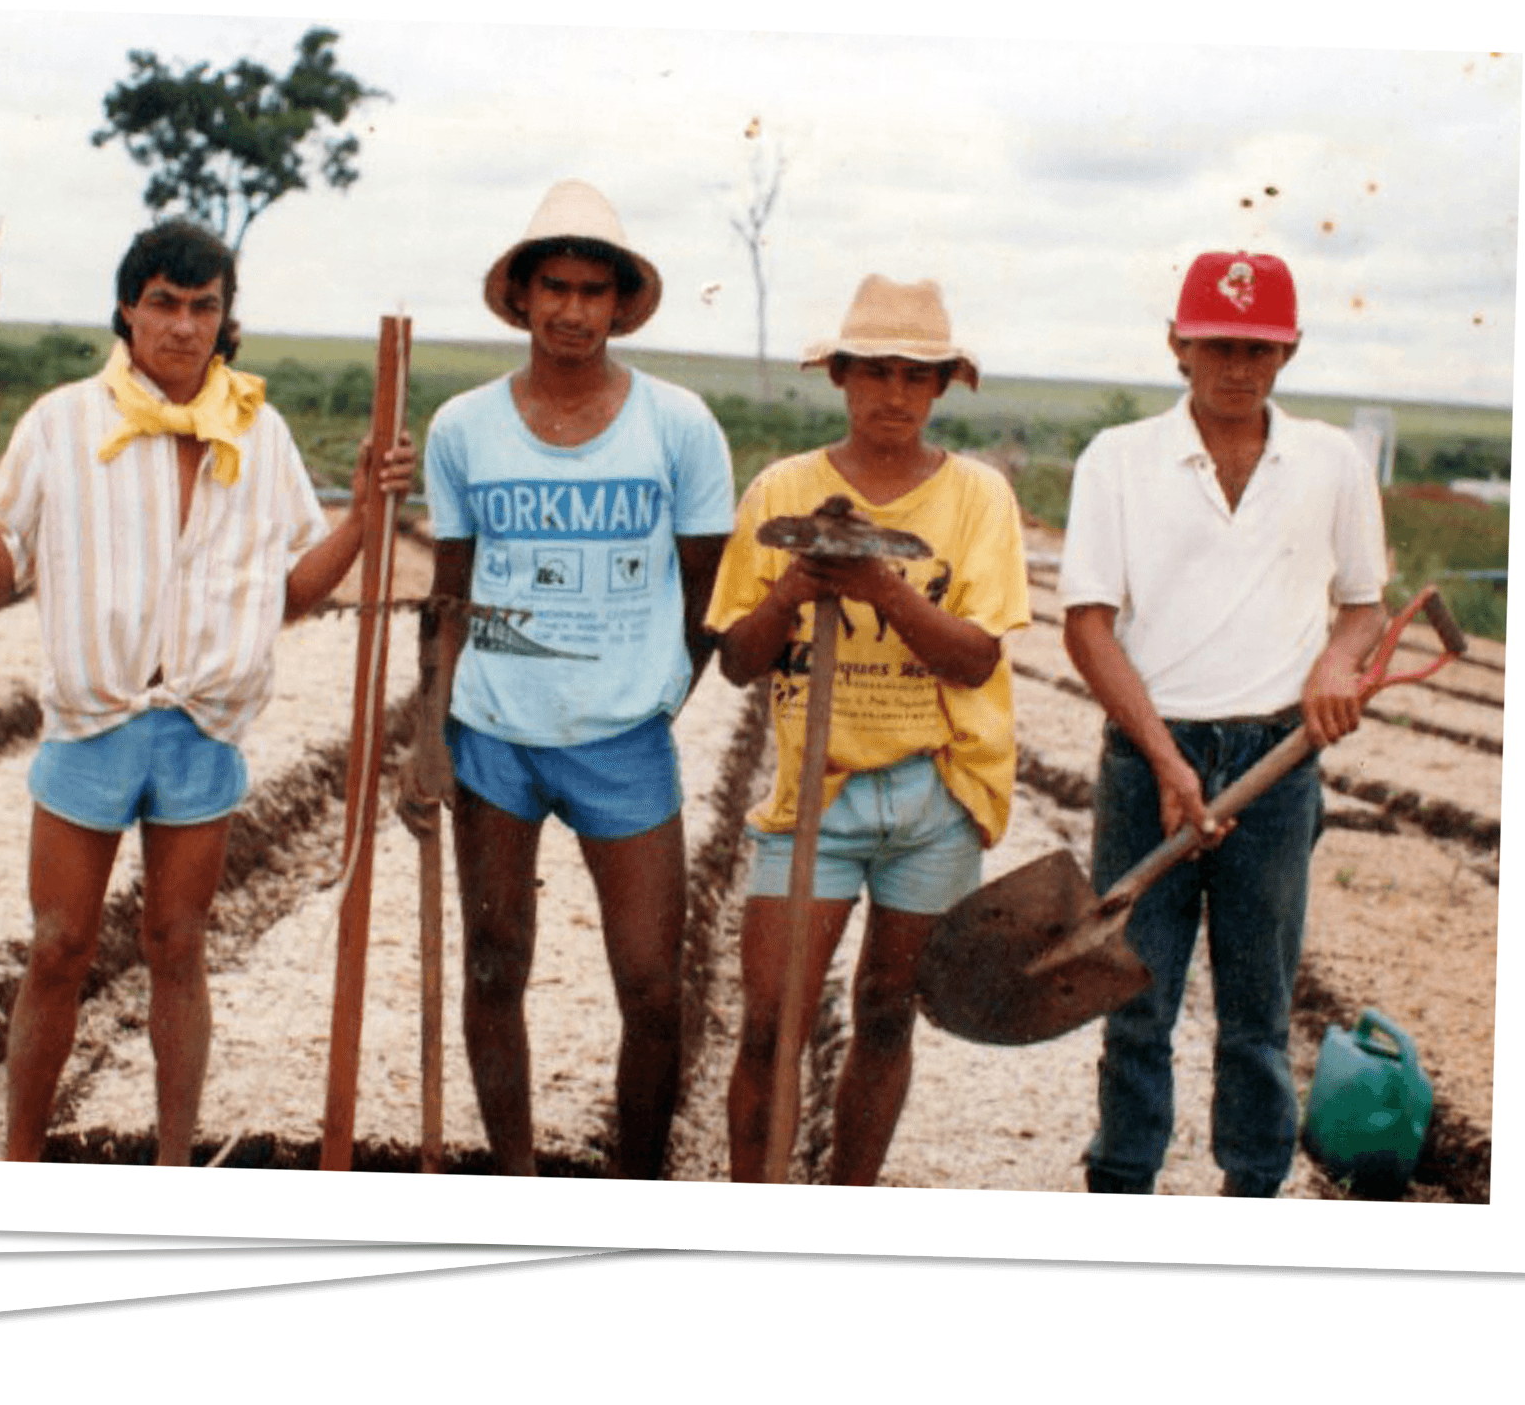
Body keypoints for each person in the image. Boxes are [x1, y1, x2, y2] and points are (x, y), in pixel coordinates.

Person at [0, 217, 414, 1165]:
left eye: (204, 307)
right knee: (60, 946)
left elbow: (288, 596)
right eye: (164, 304)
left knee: (177, 944)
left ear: (226, 319)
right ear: (127, 309)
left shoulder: (258, 433)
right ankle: (18, 1160)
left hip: (202, 726)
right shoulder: (64, 422)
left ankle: (173, 1163)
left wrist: (365, 515)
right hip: (94, 721)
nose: (183, 327)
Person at [1059, 249, 1388, 1198]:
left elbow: (1364, 603)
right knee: (1135, 1000)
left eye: (1258, 347)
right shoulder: (1118, 459)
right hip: (1148, 754)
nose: (1236, 367)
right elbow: (1087, 624)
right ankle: (1122, 1190)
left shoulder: (1330, 459)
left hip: (1277, 761)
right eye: (1216, 345)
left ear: (1286, 353)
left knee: (1257, 1009)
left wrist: (1335, 662)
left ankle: (1253, 1198)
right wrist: (1165, 762)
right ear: (1177, 344)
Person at [422, 180, 734, 1178]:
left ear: (618, 302)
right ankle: (515, 1182)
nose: (569, 309)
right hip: (492, 740)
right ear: (519, 297)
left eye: (591, 290)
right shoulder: (463, 428)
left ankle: (633, 1192)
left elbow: (702, 596)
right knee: (491, 961)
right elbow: (450, 595)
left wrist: (644, 695)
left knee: (650, 987)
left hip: (622, 744)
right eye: (551, 286)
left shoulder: (678, 425)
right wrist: (426, 737)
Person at [709, 275, 1031, 1185]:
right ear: (841, 378)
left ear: (941, 388)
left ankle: (847, 1206)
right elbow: (738, 658)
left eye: (916, 375)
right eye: (875, 371)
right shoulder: (785, 488)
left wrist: (881, 589)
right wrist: (795, 589)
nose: (895, 394)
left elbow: (974, 660)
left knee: (888, 1010)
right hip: (817, 788)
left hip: (937, 791)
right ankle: (751, 1215)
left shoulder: (978, 500)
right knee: (774, 1021)